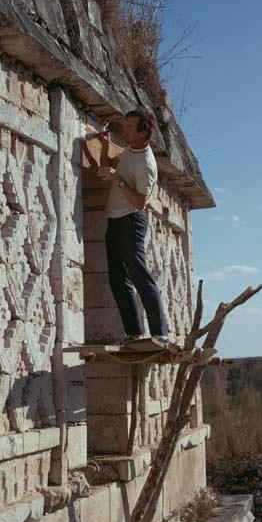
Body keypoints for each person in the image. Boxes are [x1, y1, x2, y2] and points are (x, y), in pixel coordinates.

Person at [83, 108, 169, 346]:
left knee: (139, 275)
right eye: (125, 125)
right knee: (117, 279)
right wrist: (103, 146)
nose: (125, 129)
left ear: (144, 133)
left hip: (132, 220)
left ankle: (160, 333)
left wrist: (117, 180)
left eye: (130, 127)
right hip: (115, 220)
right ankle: (134, 333)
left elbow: (141, 202)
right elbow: (112, 163)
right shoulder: (131, 149)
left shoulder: (146, 164)